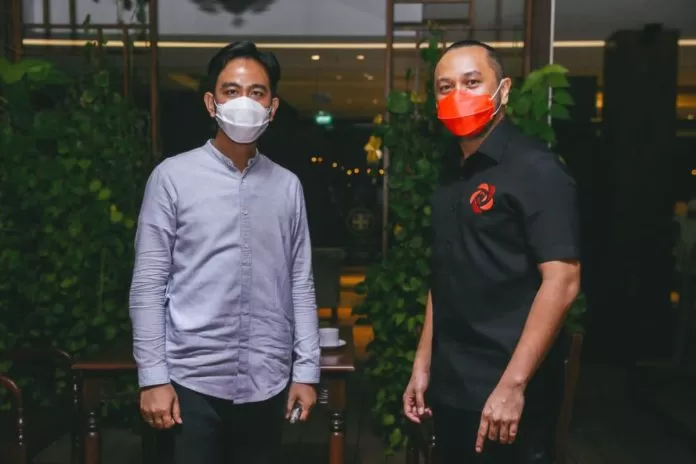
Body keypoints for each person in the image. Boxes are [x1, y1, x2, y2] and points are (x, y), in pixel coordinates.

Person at [129, 40, 320, 464]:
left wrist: (306, 371)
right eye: (231, 91)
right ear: (210, 102)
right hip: (189, 383)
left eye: (256, 92)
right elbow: (148, 286)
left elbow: (300, 284)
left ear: (272, 106)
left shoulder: (287, 186)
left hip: (267, 381)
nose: (244, 102)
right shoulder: (172, 178)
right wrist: (153, 378)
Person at [402, 40, 581, 463]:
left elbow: (563, 281)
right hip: (452, 383)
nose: (458, 95)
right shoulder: (452, 172)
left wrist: (513, 386)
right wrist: (423, 364)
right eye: (445, 87)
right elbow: (444, 274)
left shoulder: (536, 169)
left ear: (503, 89)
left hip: (508, 387)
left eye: (471, 82)